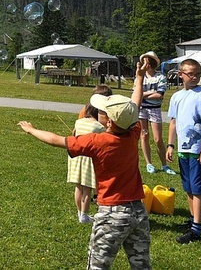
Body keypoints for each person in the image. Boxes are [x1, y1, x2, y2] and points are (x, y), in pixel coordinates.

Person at [18, 60, 150, 269]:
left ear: (108, 122)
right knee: (141, 265)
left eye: (103, 110)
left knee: (97, 266)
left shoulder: (97, 141)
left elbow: (56, 140)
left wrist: (31, 130)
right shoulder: (132, 133)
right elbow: (135, 103)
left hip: (112, 214)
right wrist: (140, 77)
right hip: (139, 212)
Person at [166, 58, 201, 244]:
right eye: (191, 74)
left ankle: (196, 230)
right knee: (188, 187)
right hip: (183, 149)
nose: (195, 77)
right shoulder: (176, 97)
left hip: (198, 150)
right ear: (181, 74)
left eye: (198, 74)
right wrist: (170, 145)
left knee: (198, 188)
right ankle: (192, 221)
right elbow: (173, 122)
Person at [138, 51, 177, 176]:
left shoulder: (160, 77)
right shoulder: (140, 76)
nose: (144, 63)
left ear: (151, 63)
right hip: (141, 110)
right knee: (144, 136)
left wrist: (143, 94)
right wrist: (149, 92)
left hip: (155, 109)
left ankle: (164, 165)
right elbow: (136, 94)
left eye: (146, 61)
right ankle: (149, 164)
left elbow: (159, 95)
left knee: (157, 139)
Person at [68, 102, 106, 224]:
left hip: (76, 157)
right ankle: (84, 215)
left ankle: (80, 213)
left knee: (78, 186)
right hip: (89, 160)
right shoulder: (99, 127)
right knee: (87, 188)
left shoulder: (78, 122)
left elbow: (73, 134)